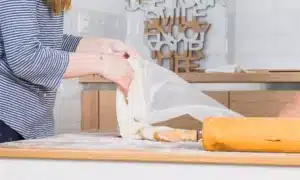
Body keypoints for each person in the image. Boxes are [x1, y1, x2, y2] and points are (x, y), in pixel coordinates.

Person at [0, 0, 138, 143]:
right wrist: (101, 63)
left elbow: (49, 43)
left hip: (28, 124)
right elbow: (25, 58)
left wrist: (105, 46)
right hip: (7, 119)